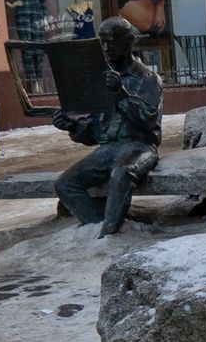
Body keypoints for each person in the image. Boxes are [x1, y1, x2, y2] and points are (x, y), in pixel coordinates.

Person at [52, 17, 162, 238]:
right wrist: (73, 126)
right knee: (65, 184)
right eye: (102, 43)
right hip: (108, 149)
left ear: (128, 42)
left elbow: (147, 120)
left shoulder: (148, 78)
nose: (106, 48)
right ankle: (101, 227)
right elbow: (95, 131)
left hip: (140, 148)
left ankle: (108, 236)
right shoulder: (102, 80)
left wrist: (120, 92)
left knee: (121, 174)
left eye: (111, 42)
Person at [2, 0, 47, 88]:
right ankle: (33, 83)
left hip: (38, 15)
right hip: (23, 15)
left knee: (39, 49)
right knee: (27, 49)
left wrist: (45, 17)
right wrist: (10, 4)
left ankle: (40, 80)